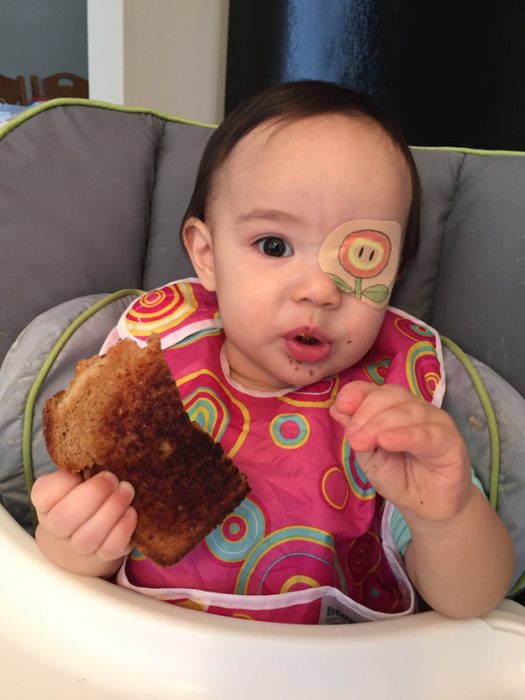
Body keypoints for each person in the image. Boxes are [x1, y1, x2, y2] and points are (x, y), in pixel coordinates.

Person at [31, 80, 514, 624]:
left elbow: (473, 602)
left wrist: (446, 519)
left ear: (396, 273)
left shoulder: (392, 421)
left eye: (361, 256)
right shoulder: (152, 366)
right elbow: (64, 589)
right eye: (274, 246)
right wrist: (77, 542)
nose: (319, 290)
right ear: (207, 256)